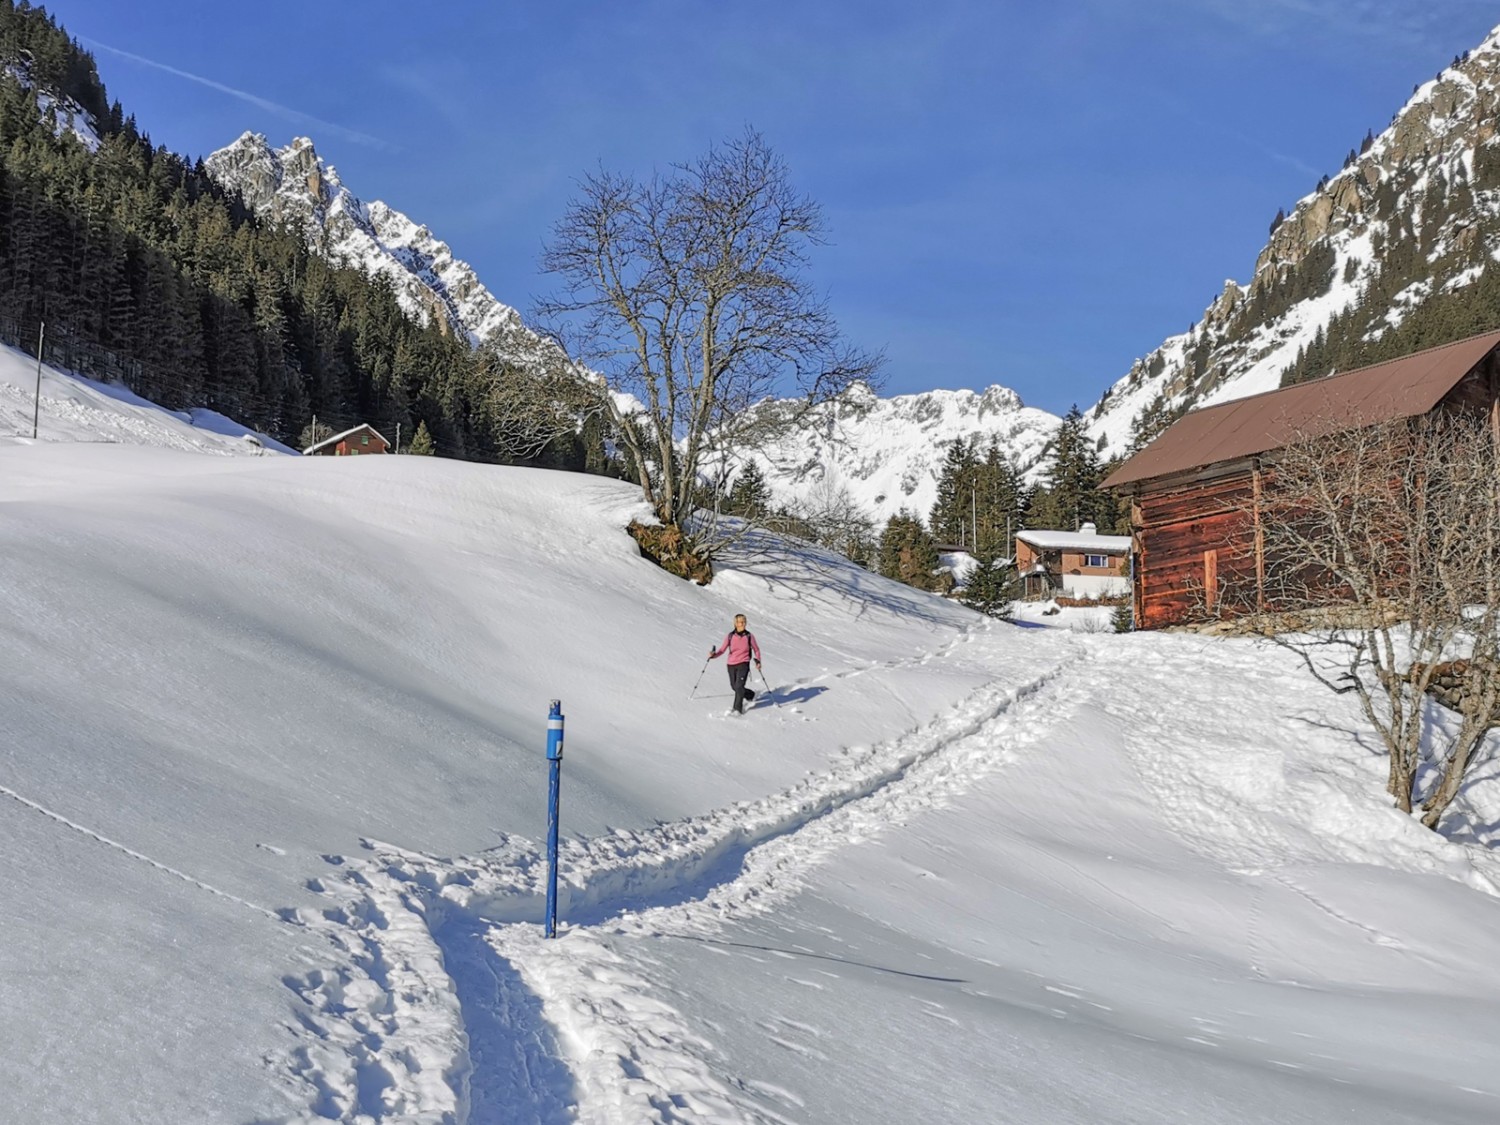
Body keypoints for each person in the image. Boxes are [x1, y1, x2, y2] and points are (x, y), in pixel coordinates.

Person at [709, 613, 762, 715]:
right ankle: (750, 694)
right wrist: (713, 655)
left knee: (739, 686)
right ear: (735, 623)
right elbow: (722, 650)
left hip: (743, 663)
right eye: (740, 622)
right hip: (731, 664)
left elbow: (756, 649)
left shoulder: (749, 636)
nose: (742, 624)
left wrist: (758, 660)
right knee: (734, 686)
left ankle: (737, 710)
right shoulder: (730, 636)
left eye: (744, 621)